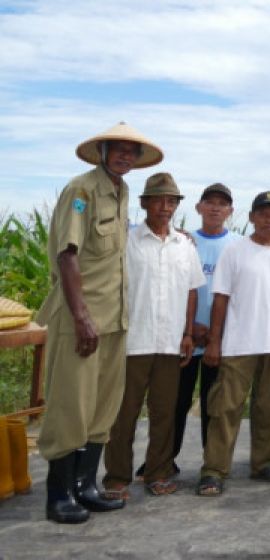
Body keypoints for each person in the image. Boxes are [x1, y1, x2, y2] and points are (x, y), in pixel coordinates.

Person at [38, 122, 163, 524]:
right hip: (81, 320)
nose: (125, 156)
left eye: (132, 151)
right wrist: (81, 317)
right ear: (104, 150)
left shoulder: (122, 192)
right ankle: (58, 495)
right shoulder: (82, 190)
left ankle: (86, 487)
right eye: (118, 149)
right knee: (69, 406)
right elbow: (67, 255)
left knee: (101, 408)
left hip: (113, 319)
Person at [197, 190, 270, 496]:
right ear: (251, 217)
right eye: (263, 213)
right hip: (238, 343)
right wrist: (215, 342)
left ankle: (265, 463)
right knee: (226, 408)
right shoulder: (234, 251)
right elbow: (220, 298)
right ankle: (214, 470)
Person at [104, 173, 203, 499]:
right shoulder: (128, 241)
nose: (165, 206)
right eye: (158, 200)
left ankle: (157, 473)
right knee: (124, 415)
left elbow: (191, 291)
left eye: (171, 201)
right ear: (144, 203)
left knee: (165, 412)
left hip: (170, 343)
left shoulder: (184, 245)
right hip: (133, 341)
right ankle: (117, 477)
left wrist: (188, 333)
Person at [167, 183, 239, 474]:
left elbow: (239, 292)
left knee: (215, 405)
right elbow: (175, 286)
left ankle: (213, 464)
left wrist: (217, 334)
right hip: (184, 337)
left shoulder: (237, 245)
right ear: (198, 208)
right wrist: (188, 327)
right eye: (209, 202)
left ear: (231, 212)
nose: (215, 208)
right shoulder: (182, 242)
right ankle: (164, 460)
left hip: (219, 340)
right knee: (176, 403)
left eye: (222, 204)